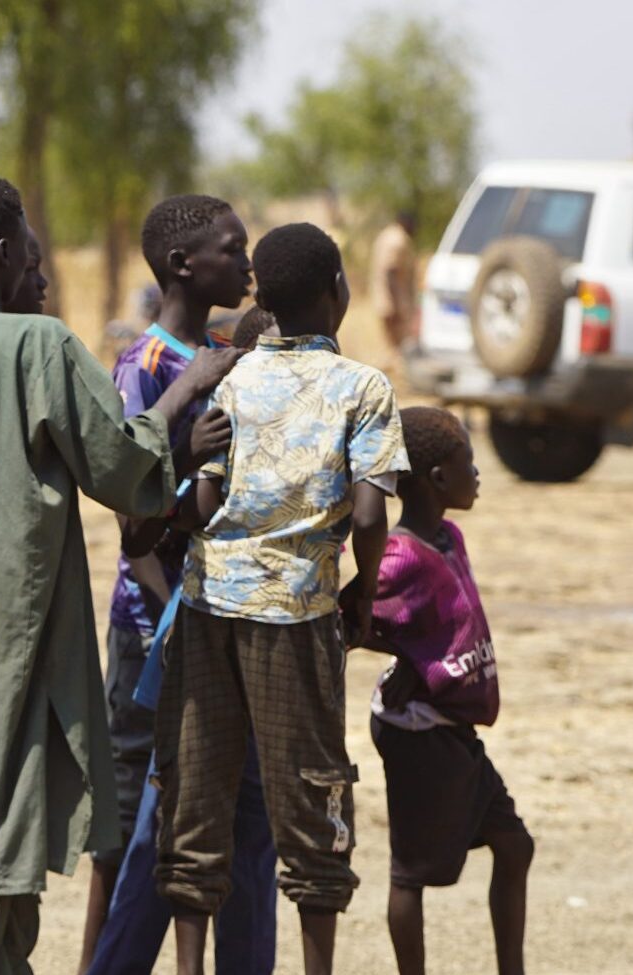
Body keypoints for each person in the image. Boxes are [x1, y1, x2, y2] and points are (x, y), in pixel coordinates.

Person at [0, 174, 238, 975]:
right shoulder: (42, 345)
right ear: (3, 255)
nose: (42, 272)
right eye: (32, 254)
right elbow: (122, 462)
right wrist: (188, 395)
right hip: (13, 646)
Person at [155, 223, 406, 975]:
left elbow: (202, 495)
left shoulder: (228, 378)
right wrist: (363, 585)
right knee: (312, 795)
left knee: (196, 792)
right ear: (338, 291)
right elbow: (368, 513)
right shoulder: (362, 388)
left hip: (206, 609)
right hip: (295, 617)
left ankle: (191, 966)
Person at [86, 197, 276, 975]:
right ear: (182, 266)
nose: (246, 265)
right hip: (153, 625)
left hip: (222, 621)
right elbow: (130, 511)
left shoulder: (230, 355)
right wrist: (184, 443)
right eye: (233, 252)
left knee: (228, 810)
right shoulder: (145, 365)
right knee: (140, 815)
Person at [362, 405, 533, 975]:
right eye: (470, 463)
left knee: (514, 845)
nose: (478, 474)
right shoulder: (398, 556)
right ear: (438, 478)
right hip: (417, 730)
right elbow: (354, 619)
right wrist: (401, 655)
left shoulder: (449, 537)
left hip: (453, 726)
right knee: (409, 873)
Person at [371, 211, 420, 360]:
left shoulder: (385, 235)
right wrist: (398, 306)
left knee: (391, 349)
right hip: (393, 303)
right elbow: (390, 271)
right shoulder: (398, 240)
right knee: (397, 351)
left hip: (384, 300)